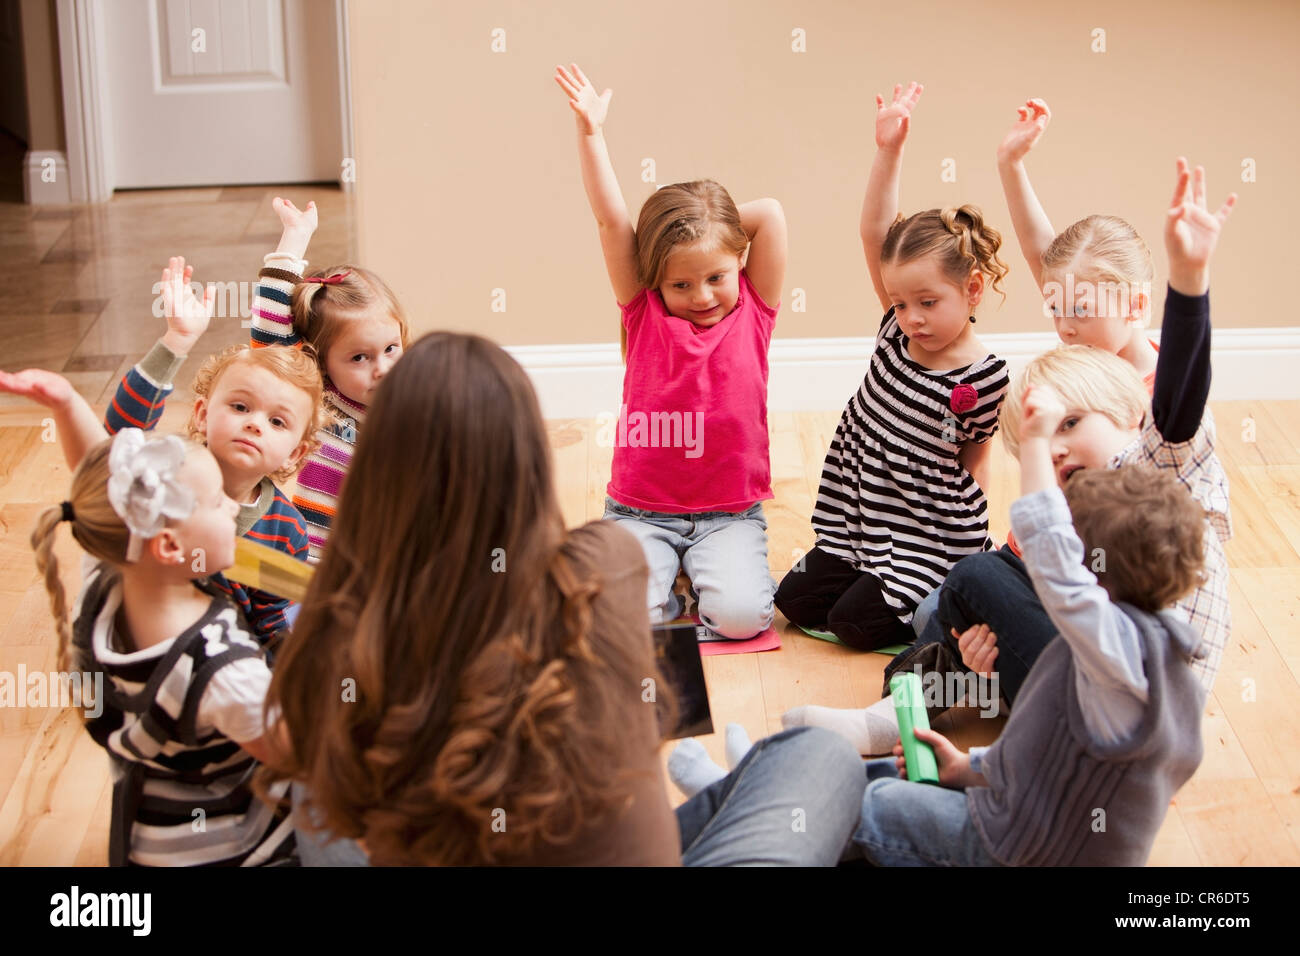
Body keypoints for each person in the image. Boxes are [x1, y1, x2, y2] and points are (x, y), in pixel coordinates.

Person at [259, 332, 866, 866]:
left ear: (373, 477)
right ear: (526, 463)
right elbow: (662, 718)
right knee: (820, 757)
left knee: (308, 781)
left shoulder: (332, 641)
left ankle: (732, 788)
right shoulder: (606, 563)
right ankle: (737, 786)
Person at [794, 157, 1235, 754]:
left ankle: (920, 712)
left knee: (973, 580)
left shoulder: (1162, 443)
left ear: (1132, 413)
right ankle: (951, 698)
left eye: (1070, 425)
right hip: (1092, 647)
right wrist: (1012, 163)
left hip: (1126, 701)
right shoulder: (1096, 444)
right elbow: (1044, 256)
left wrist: (1190, 277)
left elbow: (1182, 395)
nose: (1066, 323)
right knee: (949, 608)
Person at [850, 389, 1209, 867]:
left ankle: (733, 808)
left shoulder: (1114, 646)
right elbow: (1049, 753)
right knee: (876, 780)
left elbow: (1049, 550)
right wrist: (968, 767)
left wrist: (1037, 442)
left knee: (867, 808)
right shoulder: (1162, 658)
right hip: (1020, 820)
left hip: (1018, 849)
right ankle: (749, 783)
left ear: (1091, 569)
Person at [554, 62, 787, 639]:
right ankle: (668, 592)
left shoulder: (754, 310)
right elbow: (611, 220)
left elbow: (772, 214)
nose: (701, 295)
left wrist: (712, 222)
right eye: (680, 284)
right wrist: (591, 133)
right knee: (615, 624)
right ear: (655, 282)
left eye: (715, 276)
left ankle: (692, 587)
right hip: (641, 511)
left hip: (729, 514)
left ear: (739, 262)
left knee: (743, 620)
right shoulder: (644, 313)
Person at [775, 82, 1009, 651]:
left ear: (972, 290)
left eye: (928, 303)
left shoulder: (982, 377)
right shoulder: (894, 329)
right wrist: (889, 150)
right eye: (901, 303)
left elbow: (976, 456)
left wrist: (967, 548)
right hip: (864, 515)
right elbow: (874, 232)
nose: (911, 318)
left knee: (854, 627)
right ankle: (864, 571)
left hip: (927, 532)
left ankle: (928, 598)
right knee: (793, 603)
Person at [1, 257, 322, 648]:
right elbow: (115, 441)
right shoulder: (167, 469)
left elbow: (268, 620)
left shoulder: (286, 530)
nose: (255, 423)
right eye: (240, 407)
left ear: (294, 454)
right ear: (202, 415)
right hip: (135, 641)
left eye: (277, 422)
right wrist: (176, 343)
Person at [31, 429, 294, 866]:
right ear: (171, 545)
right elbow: (300, 755)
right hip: (226, 839)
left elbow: (110, 490)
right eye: (217, 502)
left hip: (150, 817)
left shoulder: (107, 580)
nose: (234, 507)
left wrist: (62, 403)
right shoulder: (227, 675)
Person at [250, 197, 410, 561]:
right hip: (317, 564)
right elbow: (269, 338)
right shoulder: (318, 403)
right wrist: (294, 239)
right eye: (359, 357)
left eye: (390, 348)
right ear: (321, 363)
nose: (382, 368)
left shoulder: (415, 403)